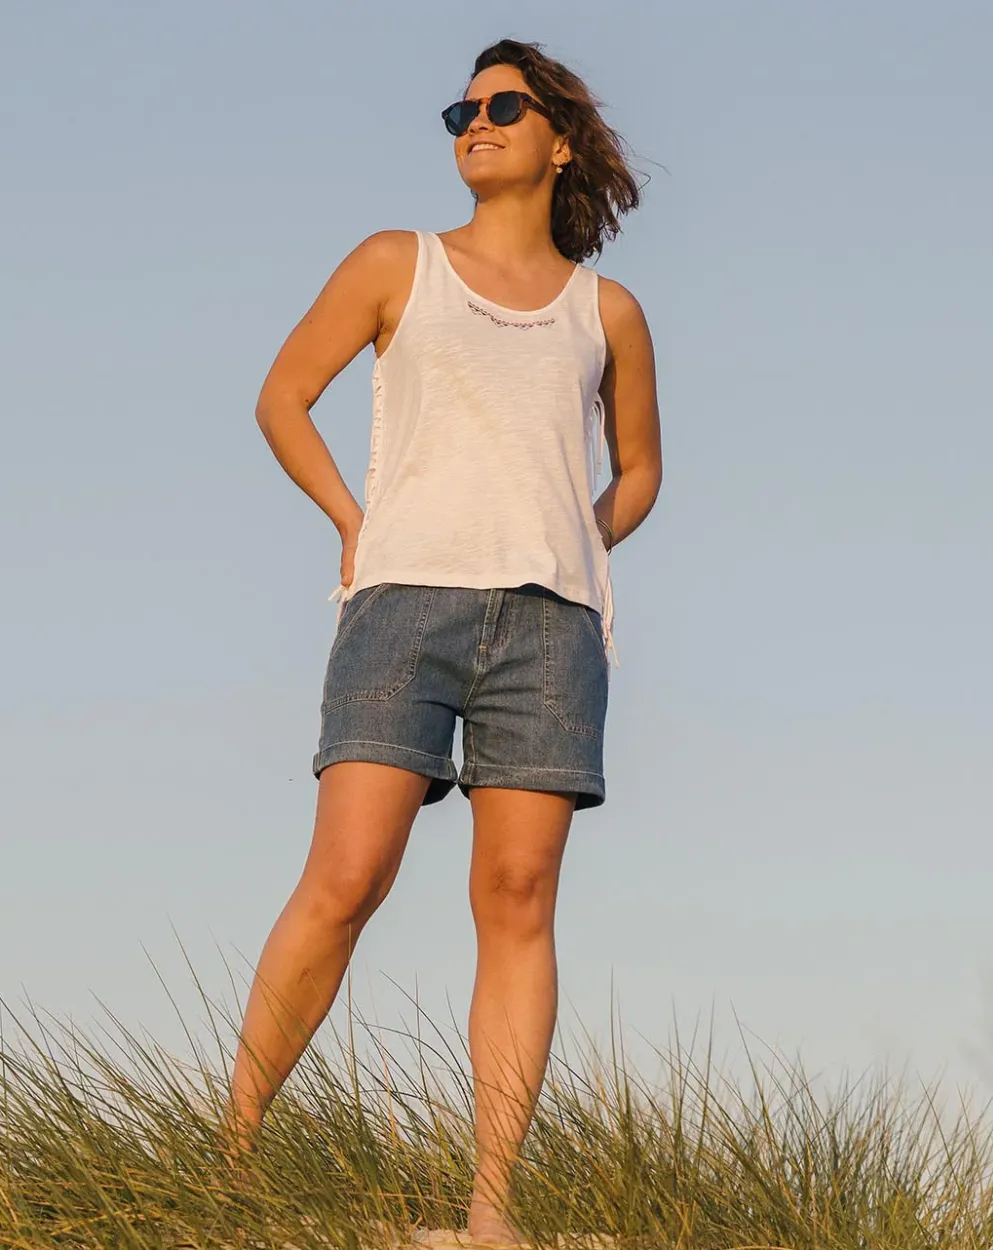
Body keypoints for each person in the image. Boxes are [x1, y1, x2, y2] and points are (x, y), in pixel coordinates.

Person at [226, 37, 661, 1247]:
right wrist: (351, 521)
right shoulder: (395, 263)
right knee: (347, 874)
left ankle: (491, 1208)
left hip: (549, 627)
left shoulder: (605, 311)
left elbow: (640, 469)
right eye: (461, 110)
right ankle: (232, 1158)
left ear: (558, 141)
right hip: (403, 606)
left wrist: (575, 537)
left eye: (503, 106)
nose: (476, 122)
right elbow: (280, 396)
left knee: (517, 898)